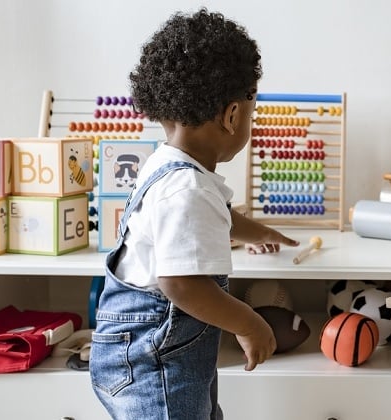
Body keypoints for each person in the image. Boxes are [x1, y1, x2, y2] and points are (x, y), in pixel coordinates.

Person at [89, 9, 299, 420]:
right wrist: (249, 323)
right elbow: (182, 284)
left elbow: (217, 215)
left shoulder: (169, 166)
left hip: (155, 352)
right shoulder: (187, 188)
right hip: (155, 362)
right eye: (250, 113)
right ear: (233, 115)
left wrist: (257, 232)